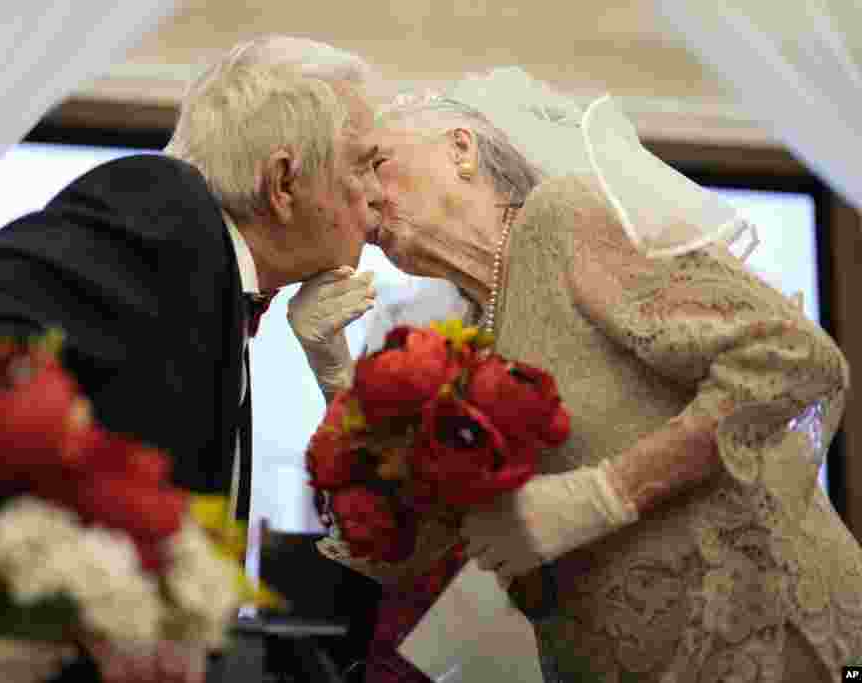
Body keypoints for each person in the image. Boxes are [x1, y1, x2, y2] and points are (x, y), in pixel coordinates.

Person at [302, 68, 862, 682]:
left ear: (460, 149)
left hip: (764, 644)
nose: (365, 199)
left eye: (376, 163)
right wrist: (332, 369)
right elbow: (405, 553)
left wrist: (608, 493)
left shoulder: (562, 221)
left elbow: (791, 358)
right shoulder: (459, 338)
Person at [0, 34, 383, 683]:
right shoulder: (165, 203)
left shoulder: (207, 261)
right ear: (285, 181)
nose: (378, 193)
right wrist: (79, 547)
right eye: (364, 165)